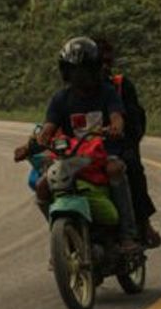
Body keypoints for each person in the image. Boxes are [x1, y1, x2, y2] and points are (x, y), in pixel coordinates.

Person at [15, 36, 141, 254]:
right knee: (43, 186)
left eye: (82, 70)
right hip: (71, 157)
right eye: (72, 70)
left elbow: (117, 117)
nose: (78, 76)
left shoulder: (107, 92)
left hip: (103, 153)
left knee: (116, 169)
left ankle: (127, 234)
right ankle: (61, 236)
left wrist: (115, 127)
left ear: (94, 70)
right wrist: (31, 145)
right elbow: (48, 129)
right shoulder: (60, 99)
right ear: (65, 72)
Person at [94, 37, 161, 249]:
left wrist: (121, 135)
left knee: (131, 166)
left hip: (117, 146)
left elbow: (133, 121)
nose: (104, 67)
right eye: (99, 62)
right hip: (84, 149)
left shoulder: (119, 87)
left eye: (107, 61)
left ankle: (141, 224)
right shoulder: (74, 91)